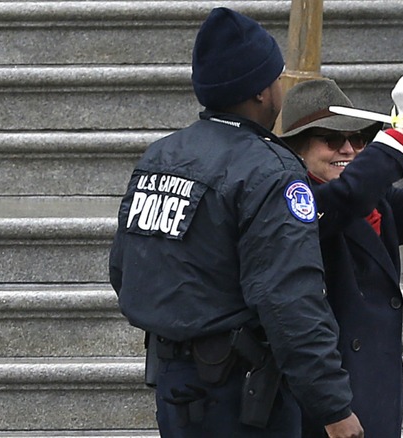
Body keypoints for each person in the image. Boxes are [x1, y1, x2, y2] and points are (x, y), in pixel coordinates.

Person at [108, 8, 364, 438]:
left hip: (176, 385)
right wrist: (333, 408)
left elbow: (124, 270)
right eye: (278, 77)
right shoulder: (270, 170)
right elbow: (291, 297)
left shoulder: (161, 155)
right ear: (263, 91)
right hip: (240, 396)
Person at [279, 77, 403, 438]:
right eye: (332, 139)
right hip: (327, 400)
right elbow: (346, 199)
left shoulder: (376, 198)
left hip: (375, 389)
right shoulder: (295, 202)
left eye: (359, 140)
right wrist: (400, 134)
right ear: (299, 149)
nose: (349, 149)